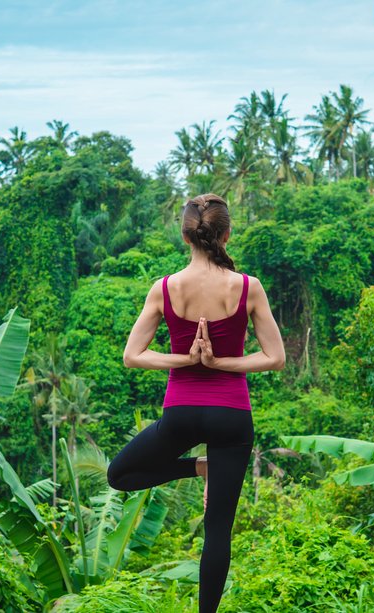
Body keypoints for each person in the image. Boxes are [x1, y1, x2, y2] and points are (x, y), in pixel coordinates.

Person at [107, 193, 285, 612]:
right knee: (218, 530)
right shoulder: (247, 287)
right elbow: (275, 358)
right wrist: (220, 361)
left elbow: (133, 355)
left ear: (186, 236)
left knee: (120, 474)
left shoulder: (166, 288)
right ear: (226, 234)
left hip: (181, 414)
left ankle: (194, 468)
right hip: (232, 417)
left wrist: (185, 360)